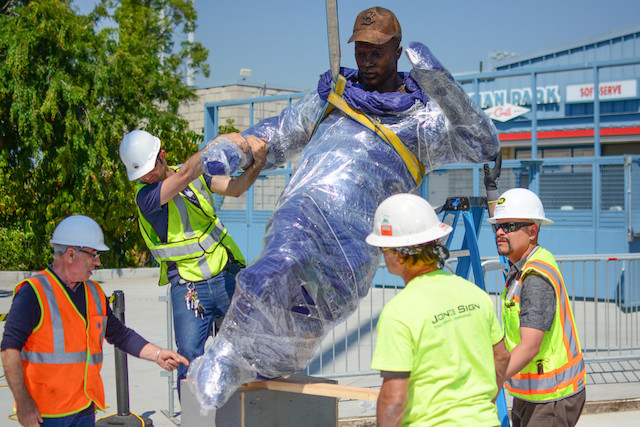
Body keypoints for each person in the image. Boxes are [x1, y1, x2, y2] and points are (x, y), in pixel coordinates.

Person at [187, 6, 501, 410]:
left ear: (398, 51)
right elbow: (277, 135)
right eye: (361, 51)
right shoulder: (335, 96)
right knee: (270, 271)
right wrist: (237, 149)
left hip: (353, 246)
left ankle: (272, 361)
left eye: (377, 51)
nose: (367, 60)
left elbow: (484, 143)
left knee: (313, 312)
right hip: (303, 211)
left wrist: (442, 86)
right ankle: (230, 355)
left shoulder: (423, 121)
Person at [0, 215, 188, 427]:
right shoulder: (34, 292)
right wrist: (24, 402)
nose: (98, 262)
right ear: (71, 254)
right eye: (93, 255)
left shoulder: (94, 293)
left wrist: (157, 354)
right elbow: (9, 349)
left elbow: (120, 334)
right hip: (44, 414)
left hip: (84, 409)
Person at [118, 130, 267, 393]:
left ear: (162, 156)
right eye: (139, 173)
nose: (146, 176)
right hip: (189, 288)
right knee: (189, 357)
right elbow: (187, 173)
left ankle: (243, 415)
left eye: (150, 168)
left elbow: (234, 188)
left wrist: (258, 163)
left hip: (226, 274)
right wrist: (218, 144)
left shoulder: (196, 176)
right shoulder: (146, 197)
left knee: (243, 350)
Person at [365, 193, 510, 426]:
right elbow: (502, 356)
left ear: (399, 256)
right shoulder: (475, 295)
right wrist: (480, 404)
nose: (383, 254)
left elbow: (393, 398)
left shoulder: (400, 312)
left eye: (385, 248)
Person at [484, 187, 586, 426]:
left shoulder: (535, 277)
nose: (499, 232)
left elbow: (530, 346)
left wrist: (485, 382)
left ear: (532, 231)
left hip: (552, 397)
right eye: (496, 226)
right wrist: (492, 191)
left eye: (508, 226)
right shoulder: (522, 264)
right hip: (530, 392)